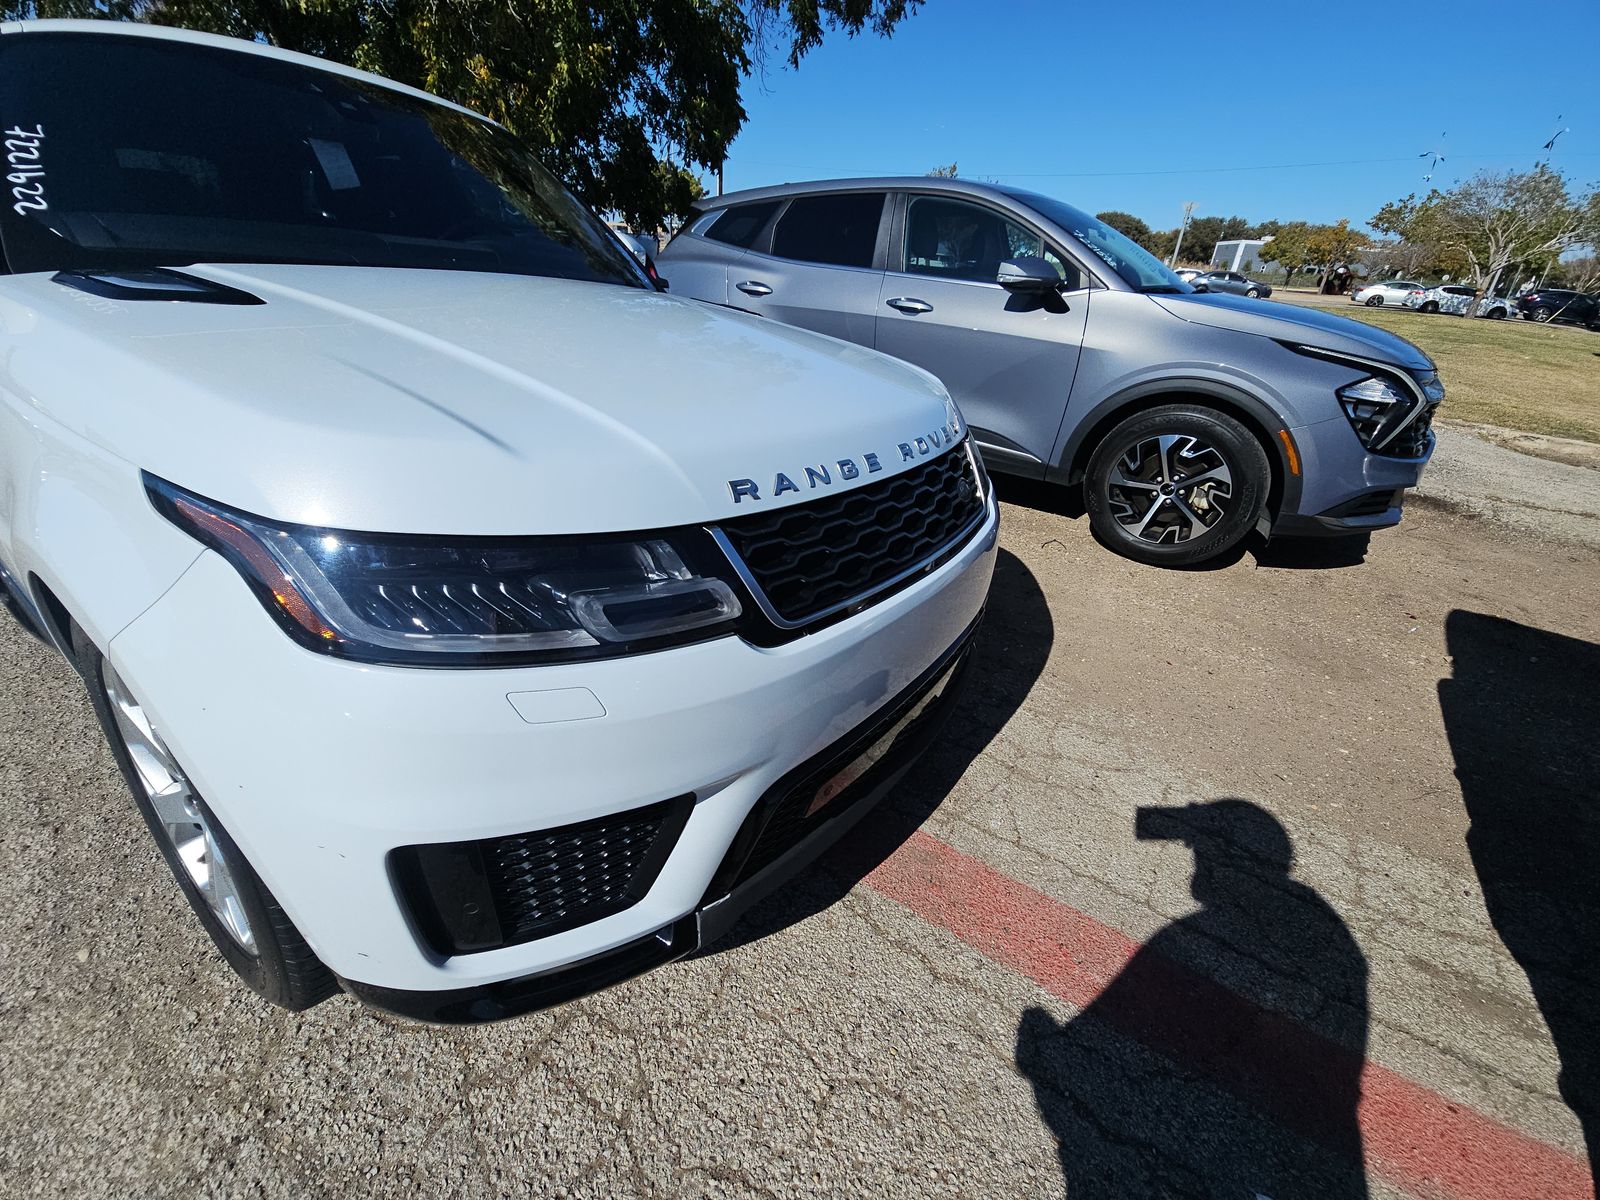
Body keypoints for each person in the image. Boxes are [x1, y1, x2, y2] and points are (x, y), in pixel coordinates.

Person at [1016, 799, 1370, 1198]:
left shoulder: (1217, 930)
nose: (1198, 861)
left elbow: (1078, 1052)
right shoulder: (1330, 940)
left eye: (1197, 850)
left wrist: (1043, 1057)